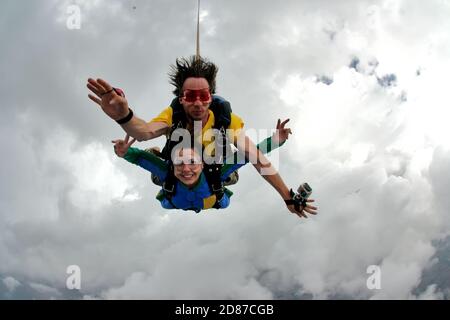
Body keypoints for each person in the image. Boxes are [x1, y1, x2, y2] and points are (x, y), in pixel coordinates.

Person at [87, 56, 317, 218]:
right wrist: (123, 116)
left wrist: (287, 196)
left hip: (214, 167)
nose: (197, 102)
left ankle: (211, 176)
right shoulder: (172, 115)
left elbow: (256, 158)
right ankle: (173, 166)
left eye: (203, 95)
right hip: (178, 167)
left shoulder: (227, 121)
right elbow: (145, 131)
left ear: (210, 97)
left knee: (229, 167)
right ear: (182, 99)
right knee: (159, 165)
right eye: (190, 95)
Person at [112, 121, 317, 214]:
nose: (186, 169)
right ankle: (158, 153)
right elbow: (138, 157)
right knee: (156, 171)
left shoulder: (214, 172)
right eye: (180, 164)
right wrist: (124, 152)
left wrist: (277, 140)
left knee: (226, 173)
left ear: (202, 164)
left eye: (192, 163)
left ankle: (213, 154)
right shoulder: (167, 171)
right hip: (178, 198)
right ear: (172, 164)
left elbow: (249, 154)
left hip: (211, 196)